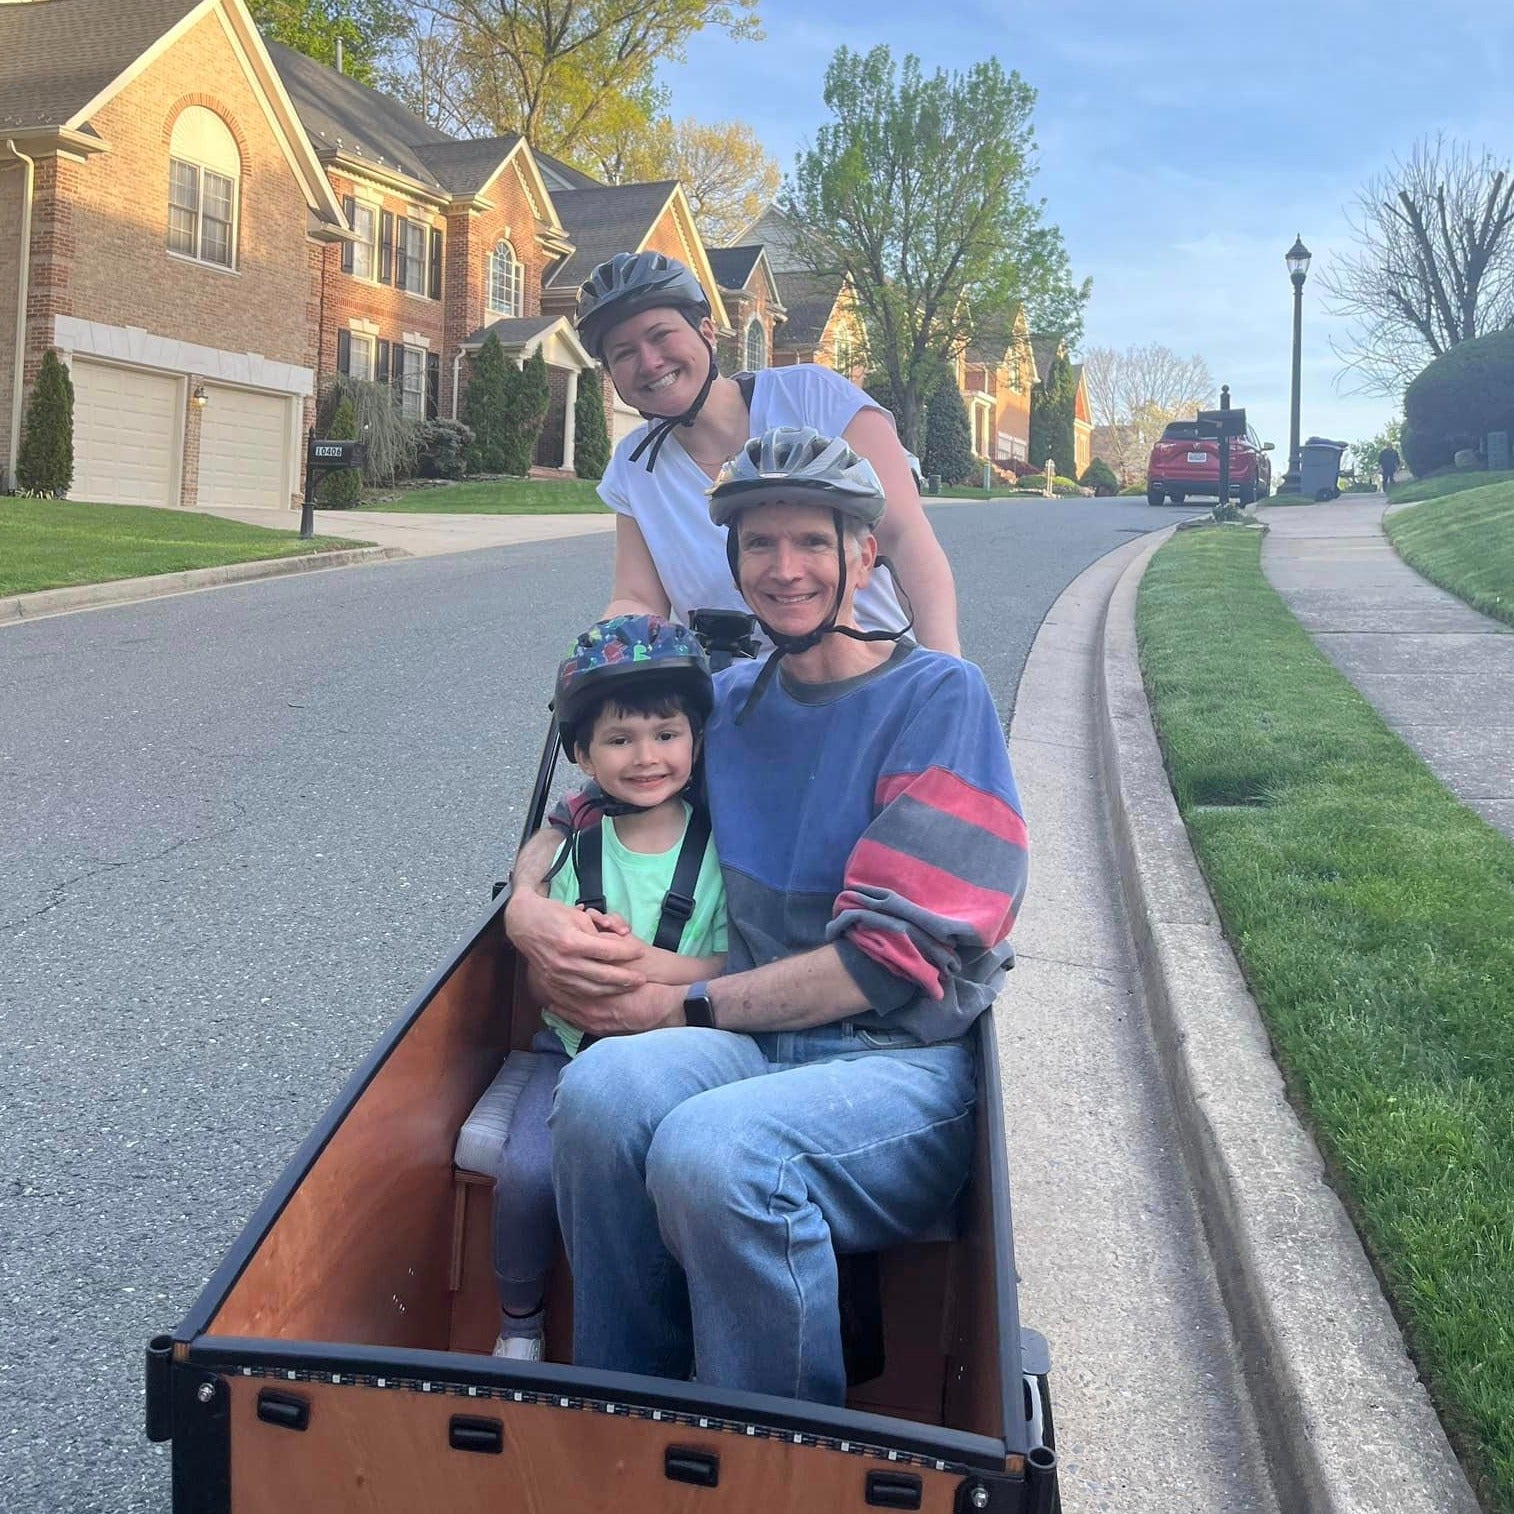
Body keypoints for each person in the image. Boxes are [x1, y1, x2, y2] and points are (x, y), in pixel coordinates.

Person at [509, 426, 1027, 1405]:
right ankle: (629, 1409)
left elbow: (882, 964)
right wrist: (527, 911)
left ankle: (779, 1460)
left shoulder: (938, 698)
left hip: (895, 1062)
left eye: (809, 542)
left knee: (718, 1154)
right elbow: (583, 807)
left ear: (861, 554)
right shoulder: (730, 703)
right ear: (732, 561)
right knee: (600, 1094)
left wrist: (682, 1009)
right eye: (757, 544)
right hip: (754, 1047)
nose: (782, 568)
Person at [487, 614, 726, 1360]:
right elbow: (542, 971)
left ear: (695, 739)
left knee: (684, 1184)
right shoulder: (576, 850)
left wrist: (640, 969)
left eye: (666, 734)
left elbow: (731, 967)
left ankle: (688, 1327)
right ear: (584, 755)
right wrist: (568, 970)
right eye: (619, 741)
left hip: (677, 1059)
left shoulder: (724, 852)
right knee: (525, 1172)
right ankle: (519, 1321)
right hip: (569, 1052)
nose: (646, 756)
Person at [573, 251, 962, 657]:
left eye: (660, 335)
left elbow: (904, 538)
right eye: (623, 353)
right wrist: (600, 657)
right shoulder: (634, 464)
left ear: (707, 332)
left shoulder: (814, 397)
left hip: (868, 678)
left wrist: (950, 673)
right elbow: (639, 598)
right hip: (734, 696)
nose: (649, 362)